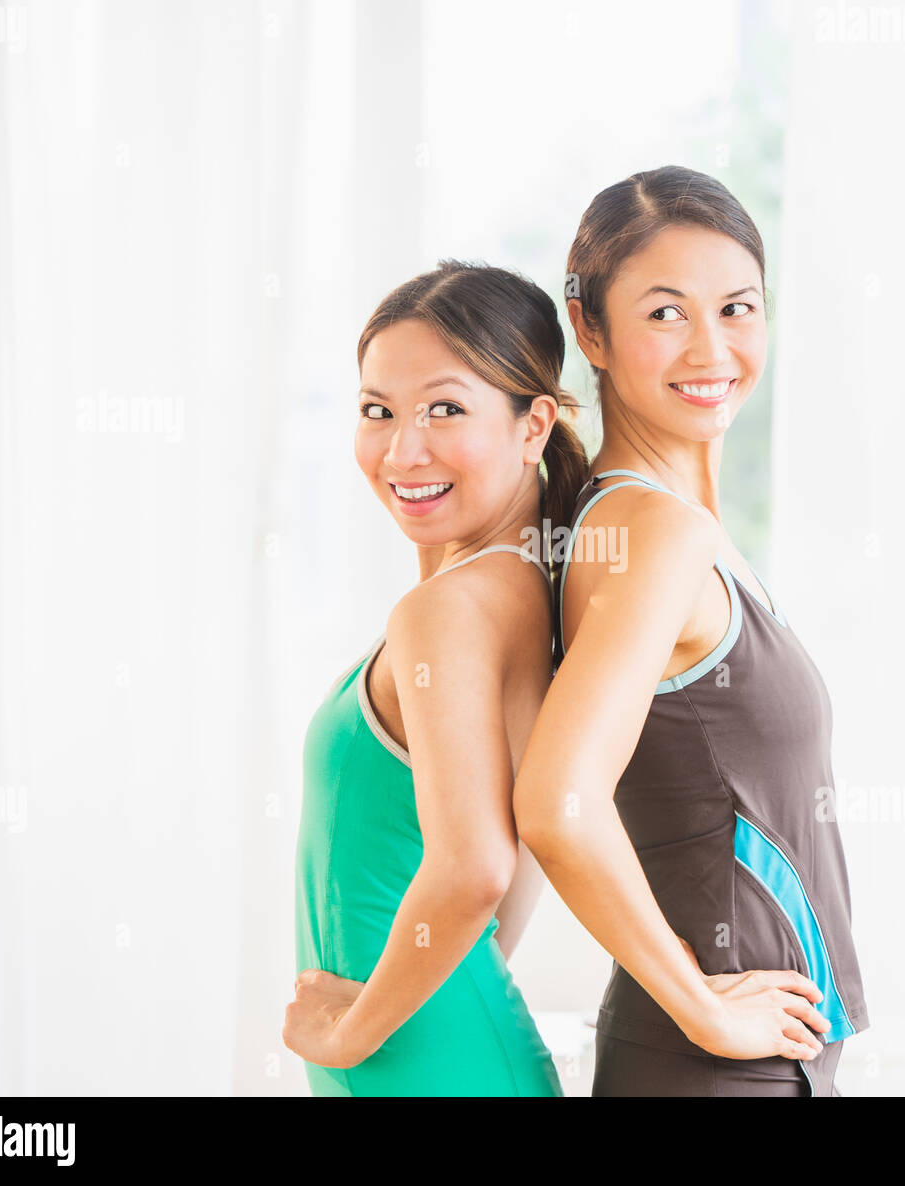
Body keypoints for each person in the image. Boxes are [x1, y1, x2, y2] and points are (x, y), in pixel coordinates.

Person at [513, 166, 870, 1096]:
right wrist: (706, 1007)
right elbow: (557, 802)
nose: (712, 347)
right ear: (589, 327)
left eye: (738, 307)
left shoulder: (665, 525)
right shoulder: (652, 531)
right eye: (666, 313)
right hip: (714, 1067)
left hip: (747, 1061)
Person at [284, 260, 587, 1095]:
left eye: (444, 409)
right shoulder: (521, 590)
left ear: (534, 427)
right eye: (377, 411)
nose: (401, 447)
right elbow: (514, 857)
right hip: (443, 1038)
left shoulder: (449, 611)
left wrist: (350, 1033)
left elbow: (479, 864)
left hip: (418, 1056)